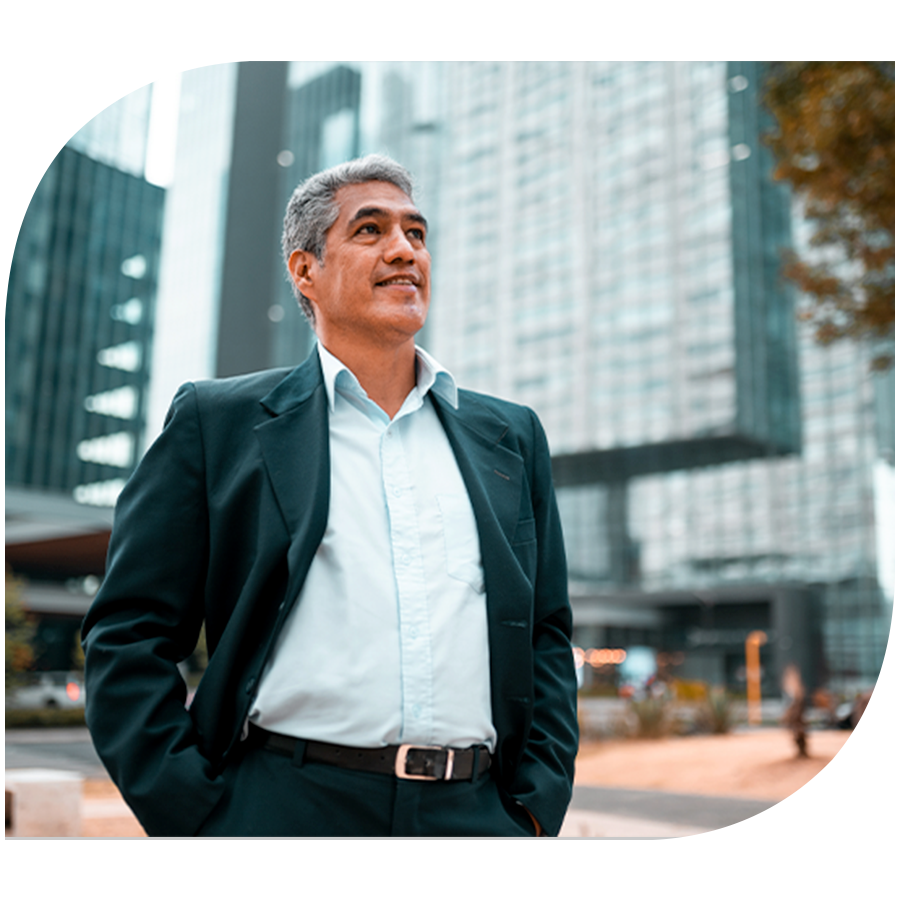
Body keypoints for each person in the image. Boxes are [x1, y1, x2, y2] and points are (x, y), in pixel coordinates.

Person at [82, 154, 578, 837]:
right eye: (370, 230)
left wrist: (535, 806)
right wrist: (195, 814)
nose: (404, 250)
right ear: (304, 271)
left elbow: (546, 631)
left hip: (476, 817)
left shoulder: (511, 436)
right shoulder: (217, 424)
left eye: (416, 233)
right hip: (282, 810)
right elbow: (129, 632)